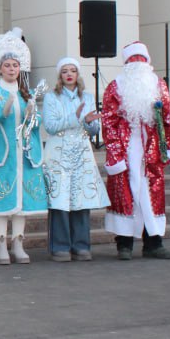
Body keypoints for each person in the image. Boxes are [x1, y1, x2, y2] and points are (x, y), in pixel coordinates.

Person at [100, 42, 170, 260]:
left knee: (150, 195)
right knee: (125, 194)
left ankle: (153, 243)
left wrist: (167, 148)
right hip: (126, 149)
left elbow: (167, 120)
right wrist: (115, 154)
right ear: (126, 63)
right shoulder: (115, 86)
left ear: (148, 62)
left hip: (150, 149)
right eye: (133, 60)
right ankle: (124, 244)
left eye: (141, 59)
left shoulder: (158, 85)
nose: (137, 64)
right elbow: (108, 123)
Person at [0, 32, 46, 264]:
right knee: (2, 200)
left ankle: (19, 244)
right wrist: (1, 113)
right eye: (7, 65)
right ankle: (1, 245)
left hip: (24, 152)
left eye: (15, 65)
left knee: (21, 201)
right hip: (1, 151)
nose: (12, 69)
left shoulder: (27, 93)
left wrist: (33, 116)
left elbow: (35, 126)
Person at [41, 56, 109, 262]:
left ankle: (81, 245)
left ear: (77, 75)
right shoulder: (51, 97)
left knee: (81, 198)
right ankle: (60, 246)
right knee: (59, 198)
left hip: (80, 151)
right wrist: (75, 118)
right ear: (60, 76)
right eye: (65, 71)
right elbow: (50, 126)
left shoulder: (87, 97)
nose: (69, 74)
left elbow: (92, 128)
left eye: (73, 70)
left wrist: (89, 123)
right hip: (58, 152)